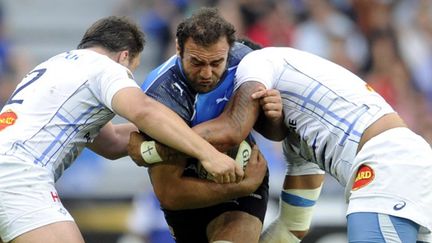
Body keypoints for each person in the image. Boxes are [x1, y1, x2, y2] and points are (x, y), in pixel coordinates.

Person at [0, 16, 242, 243]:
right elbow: (143, 110)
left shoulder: (56, 66)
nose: (127, 78)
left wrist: (192, 128)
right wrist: (207, 154)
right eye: (131, 71)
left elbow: (112, 142)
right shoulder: (105, 68)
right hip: (18, 179)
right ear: (124, 57)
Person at [197, 47, 432, 242]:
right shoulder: (300, 138)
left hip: (387, 166)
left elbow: (232, 128)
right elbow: (291, 228)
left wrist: (165, 142)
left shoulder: (254, 60)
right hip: (406, 163)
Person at [127, 8, 277, 243]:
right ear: (178, 49)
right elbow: (169, 193)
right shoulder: (160, 94)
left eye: (217, 62)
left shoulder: (248, 61)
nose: (207, 73)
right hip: (191, 193)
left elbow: (276, 133)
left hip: (245, 179)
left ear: (231, 49)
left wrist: (274, 114)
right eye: (196, 62)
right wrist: (240, 186)